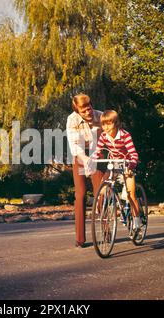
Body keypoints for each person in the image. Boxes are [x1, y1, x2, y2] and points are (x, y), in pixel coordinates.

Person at [91, 110, 142, 233]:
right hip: (113, 164)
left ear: (116, 123)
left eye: (109, 124)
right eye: (103, 124)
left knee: (131, 194)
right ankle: (110, 207)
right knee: (102, 189)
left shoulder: (125, 135)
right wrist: (92, 159)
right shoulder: (103, 136)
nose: (106, 127)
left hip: (127, 165)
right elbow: (97, 151)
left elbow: (133, 154)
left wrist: (131, 166)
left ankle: (137, 219)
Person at [66, 94, 104, 248]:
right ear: (77, 111)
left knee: (101, 193)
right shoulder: (72, 119)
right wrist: (84, 158)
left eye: (89, 108)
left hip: (98, 155)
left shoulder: (100, 116)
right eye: (84, 111)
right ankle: (80, 239)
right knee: (80, 194)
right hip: (80, 155)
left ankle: (106, 233)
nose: (88, 112)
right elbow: (75, 144)